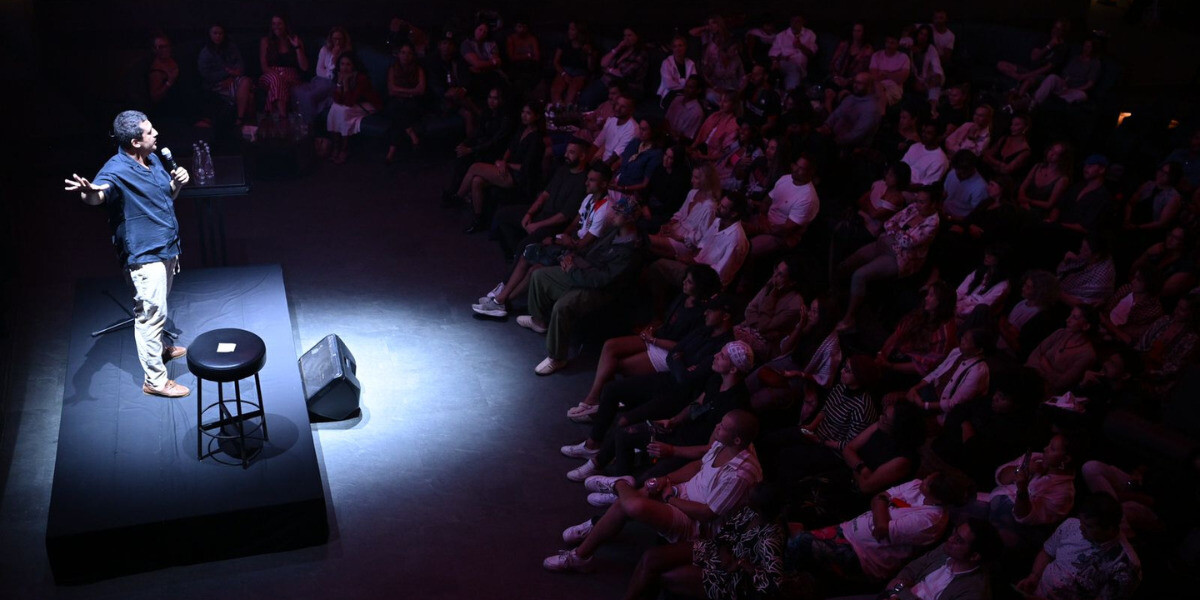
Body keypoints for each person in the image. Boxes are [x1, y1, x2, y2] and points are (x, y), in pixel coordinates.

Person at [64, 110, 190, 398]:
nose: (156, 133)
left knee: (158, 308)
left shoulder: (154, 158)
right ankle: (155, 381)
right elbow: (98, 194)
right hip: (144, 255)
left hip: (166, 246)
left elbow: (165, 195)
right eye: (149, 131)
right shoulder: (114, 170)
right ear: (135, 141)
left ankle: (158, 349)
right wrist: (88, 192)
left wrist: (177, 183)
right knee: (150, 314)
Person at [544, 410, 762, 572]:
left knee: (634, 504)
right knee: (625, 504)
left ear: (737, 439)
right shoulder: (727, 443)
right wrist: (665, 480)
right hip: (682, 495)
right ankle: (580, 556)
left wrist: (670, 497)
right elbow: (699, 466)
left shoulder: (739, 475)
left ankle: (619, 485)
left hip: (698, 525)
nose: (717, 427)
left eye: (722, 427)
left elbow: (708, 513)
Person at [563, 265, 722, 422]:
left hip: (669, 352)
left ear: (700, 287)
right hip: (657, 339)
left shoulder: (702, 314)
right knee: (610, 346)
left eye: (689, 282)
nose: (684, 283)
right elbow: (666, 322)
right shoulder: (683, 297)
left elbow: (682, 347)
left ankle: (598, 404)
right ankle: (597, 401)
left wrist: (653, 340)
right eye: (685, 279)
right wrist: (651, 330)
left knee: (617, 365)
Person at [521, 193, 644, 375]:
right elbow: (593, 253)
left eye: (618, 213)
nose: (613, 215)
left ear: (629, 218)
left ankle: (557, 357)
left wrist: (573, 270)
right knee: (539, 276)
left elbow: (601, 280)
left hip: (601, 290)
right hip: (583, 272)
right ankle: (540, 321)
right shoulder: (614, 231)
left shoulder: (631, 250)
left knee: (563, 306)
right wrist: (574, 259)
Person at [472, 159, 611, 319]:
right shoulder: (589, 199)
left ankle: (501, 300)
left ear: (604, 184)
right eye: (587, 178)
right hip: (568, 245)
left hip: (582, 257)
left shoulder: (605, 210)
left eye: (592, 180)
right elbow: (574, 224)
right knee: (529, 253)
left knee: (532, 262)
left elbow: (582, 245)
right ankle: (501, 301)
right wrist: (560, 237)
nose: (586, 183)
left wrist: (554, 242)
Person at [784, 473, 971, 585]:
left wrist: (881, 505)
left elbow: (882, 528)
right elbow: (879, 497)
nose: (923, 480)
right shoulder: (916, 485)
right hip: (847, 530)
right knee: (792, 528)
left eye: (928, 483)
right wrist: (881, 506)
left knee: (799, 542)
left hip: (863, 557)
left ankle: (784, 581)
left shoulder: (930, 520)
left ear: (938, 498)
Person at [837, 189, 941, 330]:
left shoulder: (932, 223)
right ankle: (835, 298)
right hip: (885, 242)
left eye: (922, 202)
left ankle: (849, 318)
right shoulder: (913, 208)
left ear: (934, 204)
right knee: (847, 264)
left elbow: (907, 243)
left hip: (901, 258)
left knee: (859, 275)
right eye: (917, 200)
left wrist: (896, 231)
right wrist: (898, 232)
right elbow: (889, 222)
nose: (917, 204)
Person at [1015, 493, 1141, 600]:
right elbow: (1047, 552)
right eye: (1081, 521)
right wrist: (1034, 576)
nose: (1081, 528)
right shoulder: (1071, 525)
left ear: (1110, 528)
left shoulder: (1126, 566)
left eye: (1089, 526)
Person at [486, 138, 589, 264]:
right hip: (542, 213)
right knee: (502, 215)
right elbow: (545, 194)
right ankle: (514, 256)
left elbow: (563, 216)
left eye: (571, 152)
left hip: (554, 225)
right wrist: (530, 213)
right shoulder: (563, 170)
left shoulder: (583, 181)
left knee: (525, 245)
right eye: (566, 151)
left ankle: (515, 269)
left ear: (582, 156)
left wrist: (537, 225)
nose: (566, 155)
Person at [459, 101, 546, 233]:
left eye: (528, 113)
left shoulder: (537, 139)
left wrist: (506, 164)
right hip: (509, 169)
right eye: (523, 112)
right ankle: (479, 219)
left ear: (537, 116)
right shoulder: (522, 129)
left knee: (475, 167)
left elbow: (527, 168)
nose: (524, 116)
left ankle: (458, 197)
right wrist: (503, 160)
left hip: (520, 178)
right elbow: (510, 149)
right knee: (477, 180)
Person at [871, 518, 1003, 600]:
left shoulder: (974, 592)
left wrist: (900, 591)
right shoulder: (945, 551)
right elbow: (910, 570)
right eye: (954, 533)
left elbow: (898, 585)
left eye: (958, 540)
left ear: (974, 556)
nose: (950, 539)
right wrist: (894, 593)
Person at [898, 328, 992, 424]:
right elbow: (937, 372)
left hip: (940, 407)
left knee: (905, 415)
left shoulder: (977, 371)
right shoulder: (957, 352)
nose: (962, 341)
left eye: (967, 341)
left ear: (979, 350)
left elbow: (953, 404)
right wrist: (916, 388)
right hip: (931, 391)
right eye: (963, 337)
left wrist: (924, 405)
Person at [745, 155, 819, 260]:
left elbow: (786, 230)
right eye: (796, 165)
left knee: (746, 250)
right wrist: (762, 216)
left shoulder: (808, 198)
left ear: (810, 173)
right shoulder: (786, 178)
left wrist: (759, 228)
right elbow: (767, 201)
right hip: (765, 222)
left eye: (801, 168)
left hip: (780, 237)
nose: (796, 170)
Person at [1026, 305, 1099, 394]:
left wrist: (1045, 364)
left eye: (1074, 318)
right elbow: (1034, 355)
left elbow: (1060, 383)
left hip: (1046, 390)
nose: (1067, 320)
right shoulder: (1060, 333)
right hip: (1030, 374)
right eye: (1070, 315)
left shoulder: (1087, 354)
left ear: (1086, 326)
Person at [325, 51, 381, 165]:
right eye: (342, 64)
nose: (344, 68)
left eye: (348, 64)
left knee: (344, 111)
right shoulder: (340, 75)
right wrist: (340, 83)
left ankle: (345, 148)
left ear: (354, 65)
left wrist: (345, 83)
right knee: (334, 108)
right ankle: (336, 146)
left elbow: (349, 102)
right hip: (352, 103)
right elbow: (338, 99)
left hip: (367, 104)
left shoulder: (361, 78)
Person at [197, 25, 252, 127]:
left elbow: (240, 65)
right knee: (249, 95)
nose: (218, 36)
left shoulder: (231, 47)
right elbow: (206, 74)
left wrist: (232, 75)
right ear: (210, 34)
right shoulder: (206, 53)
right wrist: (227, 73)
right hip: (216, 85)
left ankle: (241, 120)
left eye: (220, 33)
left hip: (234, 79)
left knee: (246, 82)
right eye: (215, 33)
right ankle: (241, 121)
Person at [293, 26, 351, 125]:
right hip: (320, 79)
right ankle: (298, 122)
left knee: (309, 96)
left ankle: (310, 124)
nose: (337, 42)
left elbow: (337, 74)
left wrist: (335, 56)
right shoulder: (324, 49)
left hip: (333, 83)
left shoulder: (347, 53)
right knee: (297, 90)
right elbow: (319, 70)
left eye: (339, 39)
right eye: (335, 39)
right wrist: (328, 74)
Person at [384, 42, 427, 162]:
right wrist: (410, 92)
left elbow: (421, 90)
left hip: (413, 102)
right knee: (394, 108)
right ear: (398, 54)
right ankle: (411, 133)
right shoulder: (393, 69)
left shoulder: (418, 69)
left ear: (413, 55)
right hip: (397, 102)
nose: (405, 56)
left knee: (400, 115)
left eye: (409, 53)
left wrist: (403, 92)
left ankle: (391, 150)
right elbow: (391, 90)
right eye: (403, 53)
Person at [259, 14, 309, 116]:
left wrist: (297, 47)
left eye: (279, 24)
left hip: (291, 76)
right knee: (277, 80)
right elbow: (264, 67)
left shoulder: (294, 40)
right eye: (273, 24)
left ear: (285, 25)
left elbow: (304, 67)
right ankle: (283, 118)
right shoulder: (266, 41)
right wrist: (279, 75)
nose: (276, 27)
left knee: (278, 84)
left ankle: (270, 117)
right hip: (270, 74)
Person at [1030, 38, 1102, 109]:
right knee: (1052, 77)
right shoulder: (1076, 58)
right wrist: (1064, 83)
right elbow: (1065, 73)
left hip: (1076, 89)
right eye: (1085, 46)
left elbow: (1090, 84)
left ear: (1093, 49)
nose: (1085, 48)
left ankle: (1057, 99)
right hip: (1065, 85)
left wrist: (1074, 89)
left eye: (1088, 47)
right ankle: (1034, 102)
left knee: (1082, 96)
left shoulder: (1095, 63)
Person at [820, 72, 882, 150]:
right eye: (855, 82)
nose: (855, 86)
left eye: (859, 83)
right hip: (834, 136)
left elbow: (857, 134)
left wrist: (836, 141)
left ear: (869, 86)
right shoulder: (850, 98)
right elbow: (836, 114)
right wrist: (826, 125)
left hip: (851, 147)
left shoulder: (871, 108)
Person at [550, 21, 596, 105]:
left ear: (579, 31)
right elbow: (556, 61)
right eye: (569, 29)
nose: (569, 32)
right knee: (556, 91)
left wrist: (589, 54)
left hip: (580, 73)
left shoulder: (588, 46)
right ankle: (556, 112)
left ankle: (567, 114)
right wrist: (564, 74)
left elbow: (591, 68)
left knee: (572, 94)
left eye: (573, 29)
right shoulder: (564, 43)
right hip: (564, 70)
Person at [769, 14, 818, 91]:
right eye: (793, 21)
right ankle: (790, 95)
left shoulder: (809, 34)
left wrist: (801, 46)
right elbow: (773, 53)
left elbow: (812, 54)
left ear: (803, 22)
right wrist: (778, 59)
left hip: (802, 68)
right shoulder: (781, 36)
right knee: (793, 69)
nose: (794, 24)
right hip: (785, 63)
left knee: (797, 71)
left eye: (798, 21)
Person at [981, 112, 1032, 178]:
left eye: (1016, 125)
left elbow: (1007, 170)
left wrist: (992, 162)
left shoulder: (1025, 151)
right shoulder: (1004, 139)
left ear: (1026, 127)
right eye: (1012, 124)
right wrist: (1000, 164)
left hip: (1003, 182)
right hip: (987, 173)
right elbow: (986, 156)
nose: (1012, 127)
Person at [901, 122, 950, 188]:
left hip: (913, 192)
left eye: (928, 133)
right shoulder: (915, 146)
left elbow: (926, 186)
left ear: (938, 137)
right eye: (923, 132)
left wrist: (903, 187)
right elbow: (901, 166)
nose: (923, 135)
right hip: (899, 183)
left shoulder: (940, 160)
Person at [869, 34, 912, 109]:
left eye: (892, 43)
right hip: (877, 86)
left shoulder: (903, 57)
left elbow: (902, 78)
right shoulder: (876, 55)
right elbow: (874, 76)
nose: (888, 45)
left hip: (894, 88)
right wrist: (894, 75)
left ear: (897, 45)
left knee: (879, 98)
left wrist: (885, 74)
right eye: (887, 42)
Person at [665, 76, 707, 143]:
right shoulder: (677, 99)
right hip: (665, 134)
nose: (686, 89)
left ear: (698, 90)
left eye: (690, 87)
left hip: (676, 143)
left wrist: (673, 135)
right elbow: (666, 119)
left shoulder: (697, 112)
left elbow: (688, 137)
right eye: (686, 86)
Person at [657, 36, 697, 105]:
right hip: (671, 93)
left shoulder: (690, 63)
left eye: (680, 46)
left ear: (685, 47)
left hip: (688, 94)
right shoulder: (666, 63)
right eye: (675, 46)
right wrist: (685, 88)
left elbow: (694, 81)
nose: (678, 49)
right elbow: (669, 84)